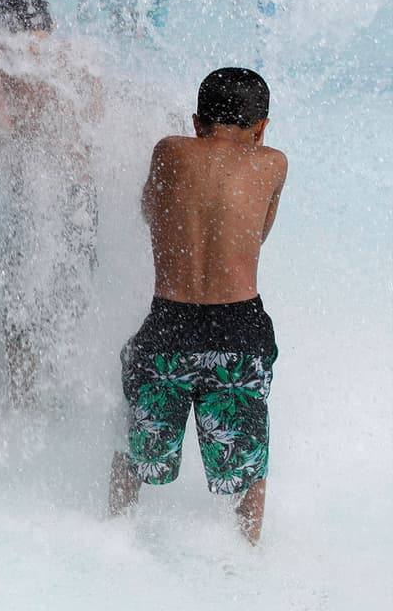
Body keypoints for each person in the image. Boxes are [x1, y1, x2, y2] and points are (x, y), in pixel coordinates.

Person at [108, 68, 287, 545]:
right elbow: (258, 237)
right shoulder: (273, 162)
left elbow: (151, 212)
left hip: (168, 326)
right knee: (247, 470)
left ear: (196, 121)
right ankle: (248, 560)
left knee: (132, 451)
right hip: (239, 332)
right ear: (262, 127)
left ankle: (110, 543)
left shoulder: (168, 150)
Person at [0, 0, 103, 406]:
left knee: (22, 301)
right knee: (69, 296)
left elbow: (1, 127)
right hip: (79, 197)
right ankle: (67, 396)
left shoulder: (5, 63)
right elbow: (95, 120)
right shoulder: (78, 58)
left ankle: (24, 397)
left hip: (35, 195)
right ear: (50, 26)